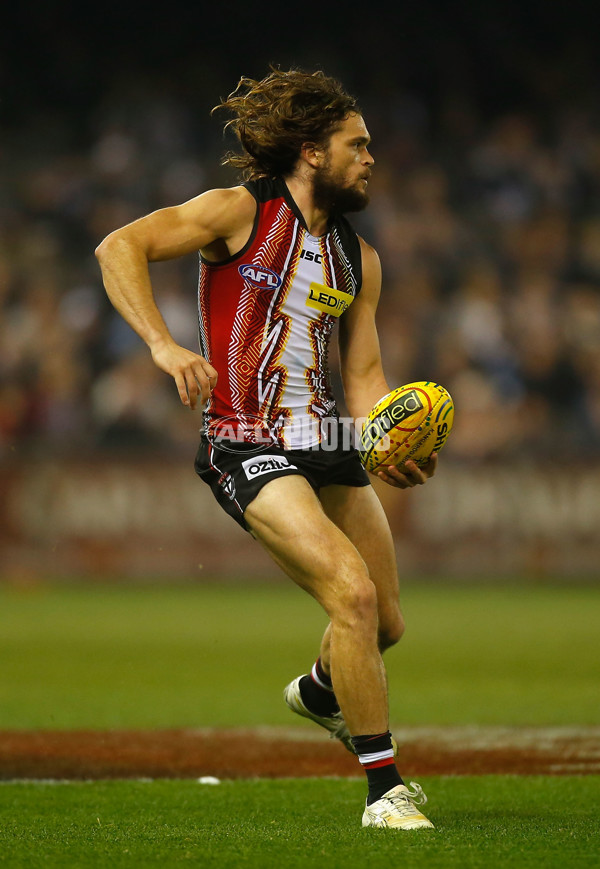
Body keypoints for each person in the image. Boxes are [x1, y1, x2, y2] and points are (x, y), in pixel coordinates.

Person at [96, 67, 437, 831]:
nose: (371, 158)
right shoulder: (240, 213)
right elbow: (119, 245)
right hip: (246, 440)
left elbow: (364, 377)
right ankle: (385, 791)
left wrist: (392, 437)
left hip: (330, 442)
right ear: (313, 151)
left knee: (384, 623)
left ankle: (321, 691)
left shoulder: (360, 260)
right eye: (359, 145)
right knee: (347, 594)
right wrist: (160, 344)